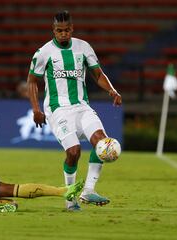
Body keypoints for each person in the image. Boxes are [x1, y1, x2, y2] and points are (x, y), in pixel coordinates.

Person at [26, 10, 122, 211]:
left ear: (72, 29)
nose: (63, 34)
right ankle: (70, 199)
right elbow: (32, 81)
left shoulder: (83, 47)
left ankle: (88, 191)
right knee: (73, 152)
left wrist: (112, 91)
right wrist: (35, 109)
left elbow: (98, 74)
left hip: (81, 106)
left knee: (102, 143)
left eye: (67, 30)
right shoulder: (44, 52)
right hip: (58, 110)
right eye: (59, 30)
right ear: (53, 30)